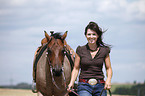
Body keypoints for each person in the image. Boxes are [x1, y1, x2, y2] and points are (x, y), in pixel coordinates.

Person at [68, 21, 113, 96]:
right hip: (84, 85)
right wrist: (71, 83)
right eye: (89, 34)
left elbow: (108, 68)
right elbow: (76, 68)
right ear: (85, 35)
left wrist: (108, 80)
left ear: (98, 36)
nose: (91, 37)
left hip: (100, 85)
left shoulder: (104, 50)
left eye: (94, 34)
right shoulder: (80, 50)